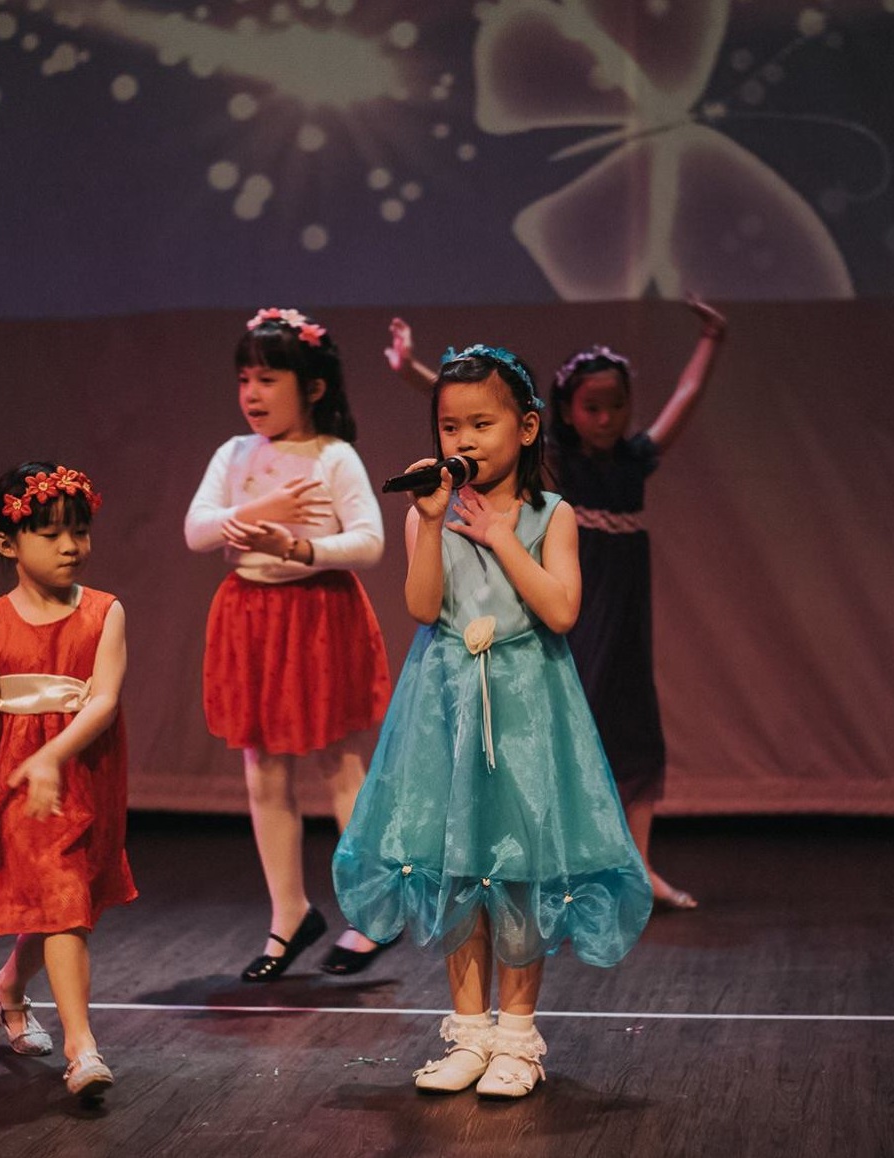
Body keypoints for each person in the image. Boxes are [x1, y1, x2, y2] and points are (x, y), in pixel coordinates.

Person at [333, 345, 651, 1099]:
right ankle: (468, 1033)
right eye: (450, 427)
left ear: (527, 427)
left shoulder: (551, 514)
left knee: (515, 868)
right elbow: (422, 607)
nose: (464, 440)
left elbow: (561, 610)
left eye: (482, 423)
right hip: (445, 704)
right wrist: (430, 524)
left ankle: (516, 1038)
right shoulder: (430, 515)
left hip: (525, 709)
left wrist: (502, 538)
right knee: (456, 866)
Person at [385, 300, 726, 910]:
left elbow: (686, 396)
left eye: (616, 405)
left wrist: (712, 340)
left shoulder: (616, 471)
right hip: (545, 614)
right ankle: (556, 862)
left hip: (612, 603)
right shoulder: (549, 469)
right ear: (563, 412)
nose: (606, 418)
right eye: (592, 406)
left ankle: (636, 862)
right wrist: (414, 369)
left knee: (631, 724)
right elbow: (478, 412)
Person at [0, 462, 136, 1101]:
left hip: (81, 774)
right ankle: (81, 1048)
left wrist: (54, 756)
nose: (71, 546)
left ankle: (9, 987)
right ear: (7, 543)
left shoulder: (104, 612)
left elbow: (103, 702)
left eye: (80, 531)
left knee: (62, 900)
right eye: (51, 533)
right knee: (62, 899)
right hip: (18, 782)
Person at [185, 307, 393, 981]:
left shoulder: (333, 456)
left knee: (339, 764)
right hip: (250, 615)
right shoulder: (233, 454)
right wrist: (259, 513)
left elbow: (370, 541)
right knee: (264, 771)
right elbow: (197, 530)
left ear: (313, 387)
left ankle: (371, 912)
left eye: (267, 379)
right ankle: (289, 914)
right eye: (244, 378)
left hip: (317, 614)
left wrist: (299, 548)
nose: (251, 393)